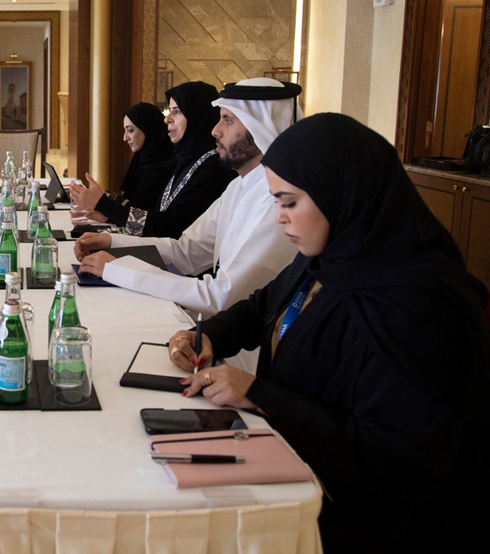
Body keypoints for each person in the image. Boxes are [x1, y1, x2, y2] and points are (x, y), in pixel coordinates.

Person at [170, 113, 490, 551]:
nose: (280, 219)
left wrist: (258, 394)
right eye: (275, 202)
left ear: (342, 192)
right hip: (299, 471)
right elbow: (264, 305)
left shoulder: (424, 306)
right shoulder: (334, 254)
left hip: (369, 520)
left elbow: (398, 459)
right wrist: (206, 335)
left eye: (289, 202)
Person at [76, 78, 301, 324]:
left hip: (245, 355)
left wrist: (118, 268)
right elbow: (186, 252)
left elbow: (220, 296)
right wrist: (113, 242)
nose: (216, 130)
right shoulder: (239, 186)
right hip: (209, 331)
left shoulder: (279, 202)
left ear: (260, 128)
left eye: (228, 120)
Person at [128, 81, 234, 237]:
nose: (167, 119)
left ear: (197, 115)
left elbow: (170, 227)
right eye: (169, 110)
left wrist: (106, 206)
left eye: (176, 111)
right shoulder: (185, 160)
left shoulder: (215, 168)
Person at [69, 101, 175, 229]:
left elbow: (151, 219)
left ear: (148, 128)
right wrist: (109, 212)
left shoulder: (170, 165)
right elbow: (131, 206)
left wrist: (104, 202)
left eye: (130, 130)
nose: (125, 138)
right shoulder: (141, 158)